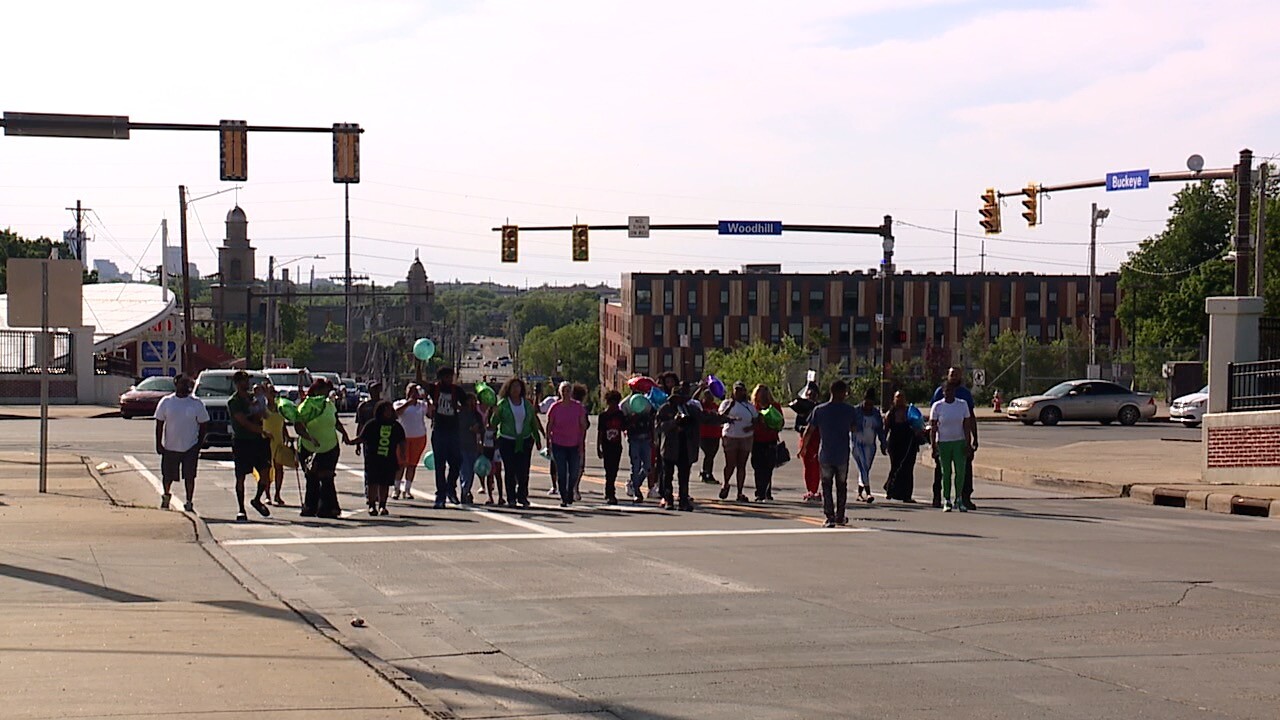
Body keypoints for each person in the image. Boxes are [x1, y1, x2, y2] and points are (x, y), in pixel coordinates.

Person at [802, 380, 857, 528]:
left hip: (826, 453)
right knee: (841, 485)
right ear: (841, 392)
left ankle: (830, 516)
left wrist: (803, 448)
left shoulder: (820, 410)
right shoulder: (849, 410)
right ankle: (840, 515)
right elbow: (855, 428)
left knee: (826, 485)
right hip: (842, 454)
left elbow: (809, 429)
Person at [295, 377, 351, 518]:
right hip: (309, 448)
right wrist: (310, 438)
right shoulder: (306, 406)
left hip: (330, 446)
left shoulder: (329, 405)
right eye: (323, 391)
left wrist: (344, 434)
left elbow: (336, 420)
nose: (326, 394)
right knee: (312, 477)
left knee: (327, 477)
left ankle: (329, 508)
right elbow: (299, 427)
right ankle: (310, 507)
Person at [153, 373, 208, 513]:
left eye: (187, 384)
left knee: (189, 476)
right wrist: (159, 444)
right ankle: (166, 496)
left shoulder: (196, 403)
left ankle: (189, 501)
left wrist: (199, 444)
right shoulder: (166, 402)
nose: (185, 386)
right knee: (168, 475)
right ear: (176, 384)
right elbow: (159, 423)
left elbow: (203, 424)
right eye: (182, 383)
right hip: (170, 447)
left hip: (190, 447)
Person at [488, 377, 543, 508]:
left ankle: (522, 496)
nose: (516, 390)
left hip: (525, 440)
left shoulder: (527, 404)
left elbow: (533, 423)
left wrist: (538, 438)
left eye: (518, 387)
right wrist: (494, 414)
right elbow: (493, 423)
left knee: (523, 470)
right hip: (507, 440)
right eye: (513, 387)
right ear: (508, 389)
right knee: (510, 470)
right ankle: (511, 497)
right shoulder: (503, 404)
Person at [930, 367, 979, 510]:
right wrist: (933, 444)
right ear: (948, 375)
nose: (954, 377)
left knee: (963, 471)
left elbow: (970, 419)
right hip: (943, 441)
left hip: (960, 441)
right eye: (952, 374)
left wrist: (973, 439)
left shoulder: (964, 395)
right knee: (942, 471)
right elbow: (933, 422)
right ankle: (939, 497)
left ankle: (964, 498)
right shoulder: (939, 393)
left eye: (957, 374)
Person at [228, 370, 273, 522]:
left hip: (258, 441)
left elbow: (266, 414)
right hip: (242, 441)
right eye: (243, 380)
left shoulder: (254, 398)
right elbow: (244, 422)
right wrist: (263, 431)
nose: (246, 383)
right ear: (237, 383)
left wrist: (265, 400)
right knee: (241, 476)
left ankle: (257, 499)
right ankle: (241, 509)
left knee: (265, 472)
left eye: (247, 380)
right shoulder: (234, 402)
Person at [348, 399, 404, 515]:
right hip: (373, 459)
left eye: (390, 410)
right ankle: (372, 505)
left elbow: (402, 441)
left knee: (384, 483)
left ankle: (382, 506)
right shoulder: (372, 424)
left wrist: (402, 455)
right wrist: (352, 442)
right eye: (386, 410)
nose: (388, 412)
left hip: (388, 458)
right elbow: (362, 437)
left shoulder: (395, 426)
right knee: (372, 482)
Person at [655, 382, 704, 511]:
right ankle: (668, 499)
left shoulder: (690, 409)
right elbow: (658, 428)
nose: (680, 401)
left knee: (684, 477)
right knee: (667, 476)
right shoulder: (664, 409)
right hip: (670, 448)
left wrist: (724, 418)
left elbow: (704, 417)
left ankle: (683, 501)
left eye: (682, 398)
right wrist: (674, 422)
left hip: (685, 448)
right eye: (678, 398)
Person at [427, 367, 466, 509]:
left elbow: (467, 405)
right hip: (439, 431)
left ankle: (451, 488)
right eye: (447, 377)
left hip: (454, 431)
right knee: (440, 465)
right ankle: (440, 496)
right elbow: (420, 382)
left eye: (451, 376)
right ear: (441, 378)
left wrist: (458, 407)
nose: (450, 379)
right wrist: (418, 364)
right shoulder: (435, 389)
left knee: (456, 462)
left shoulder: (457, 390)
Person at [546, 381, 589, 507]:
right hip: (558, 443)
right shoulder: (555, 407)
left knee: (574, 471)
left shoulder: (578, 407)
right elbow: (549, 425)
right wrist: (548, 443)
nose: (566, 393)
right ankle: (564, 496)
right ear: (560, 392)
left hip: (574, 444)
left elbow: (583, 426)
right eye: (563, 390)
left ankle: (571, 490)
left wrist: (582, 443)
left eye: (568, 390)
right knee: (562, 471)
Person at [717, 381, 758, 502]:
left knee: (742, 465)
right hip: (730, 436)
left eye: (741, 390)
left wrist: (750, 428)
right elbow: (720, 417)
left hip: (745, 437)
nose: (739, 392)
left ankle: (740, 492)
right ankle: (726, 484)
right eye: (736, 390)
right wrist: (730, 406)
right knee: (730, 463)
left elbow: (756, 421)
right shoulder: (726, 404)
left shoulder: (749, 406)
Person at [884, 391, 923, 503]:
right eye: (897, 397)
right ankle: (890, 490)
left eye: (902, 397)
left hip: (909, 443)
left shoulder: (911, 412)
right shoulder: (890, 414)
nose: (899, 399)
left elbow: (918, 425)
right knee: (895, 467)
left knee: (908, 469)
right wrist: (883, 444)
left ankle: (907, 495)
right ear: (894, 399)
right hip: (895, 444)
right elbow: (885, 430)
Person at [852, 388, 888, 503]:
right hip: (858, 443)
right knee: (863, 467)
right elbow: (848, 424)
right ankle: (868, 493)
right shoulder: (856, 411)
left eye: (871, 403)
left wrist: (883, 443)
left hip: (870, 445)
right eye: (867, 403)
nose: (868, 406)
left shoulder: (876, 413)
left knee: (865, 469)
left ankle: (859, 493)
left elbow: (880, 430)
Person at [393, 383, 429, 500]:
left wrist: (426, 397)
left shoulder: (421, 405)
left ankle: (407, 489)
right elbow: (396, 413)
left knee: (412, 465)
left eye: (415, 390)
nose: (413, 393)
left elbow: (430, 413)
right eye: (410, 390)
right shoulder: (399, 403)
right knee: (400, 464)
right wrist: (408, 403)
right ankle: (396, 489)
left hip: (418, 438)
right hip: (402, 439)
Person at [261, 383, 293, 507]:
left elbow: (283, 423)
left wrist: (287, 436)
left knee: (279, 468)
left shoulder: (280, 408)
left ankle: (277, 494)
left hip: (278, 440)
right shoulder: (263, 408)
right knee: (267, 470)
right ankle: (267, 495)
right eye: (270, 392)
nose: (272, 395)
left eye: (274, 393)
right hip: (266, 441)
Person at [750, 384, 783, 501]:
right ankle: (760, 491)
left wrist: (770, 426)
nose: (762, 395)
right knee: (758, 467)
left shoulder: (775, 407)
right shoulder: (753, 407)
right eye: (759, 392)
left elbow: (780, 423)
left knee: (768, 467)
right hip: (757, 441)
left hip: (770, 440)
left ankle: (765, 491)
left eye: (764, 392)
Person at [597, 390, 627, 504]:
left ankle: (610, 489)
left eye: (616, 403)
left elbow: (624, 427)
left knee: (614, 470)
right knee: (608, 470)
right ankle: (610, 493)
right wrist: (598, 448)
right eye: (612, 403)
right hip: (606, 446)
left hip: (617, 446)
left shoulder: (619, 415)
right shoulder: (603, 416)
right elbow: (600, 432)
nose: (614, 406)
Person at [624, 393, 655, 502]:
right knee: (635, 466)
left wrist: (653, 439)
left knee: (648, 466)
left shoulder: (648, 409)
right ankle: (636, 491)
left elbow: (652, 425)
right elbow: (624, 426)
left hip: (646, 440)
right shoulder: (629, 410)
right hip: (634, 440)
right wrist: (632, 419)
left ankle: (634, 484)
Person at [458, 392, 483, 505]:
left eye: (474, 401)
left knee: (471, 472)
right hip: (461, 445)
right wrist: (469, 428)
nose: (472, 404)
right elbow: (458, 428)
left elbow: (481, 429)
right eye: (470, 401)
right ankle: (464, 491)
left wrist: (478, 430)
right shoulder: (460, 414)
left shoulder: (477, 415)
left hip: (473, 447)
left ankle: (466, 490)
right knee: (465, 470)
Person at [479, 402, 505, 506]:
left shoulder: (500, 426)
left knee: (498, 474)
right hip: (487, 449)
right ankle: (490, 496)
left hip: (497, 450)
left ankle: (501, 496)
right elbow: (481, 437)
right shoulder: (485, 426)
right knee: (489, 474)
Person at [698, 389, 723, 484]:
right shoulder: (701, 406)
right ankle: (706, 473)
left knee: (712, 454)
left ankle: (707, 472)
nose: (710, 398)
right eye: (707, 396)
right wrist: (700, 388)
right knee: (708, 454)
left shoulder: (715, 406)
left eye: (711, 396)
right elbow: (694, 399)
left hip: (715, 433)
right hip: (704, 434)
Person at [539, 392, 560, 496]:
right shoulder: (552, 402)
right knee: (554, 463)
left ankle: (564, 486)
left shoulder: (573, 405)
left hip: (569, 439)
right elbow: (537, 409)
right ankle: (554, 486)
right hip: (555, 439)